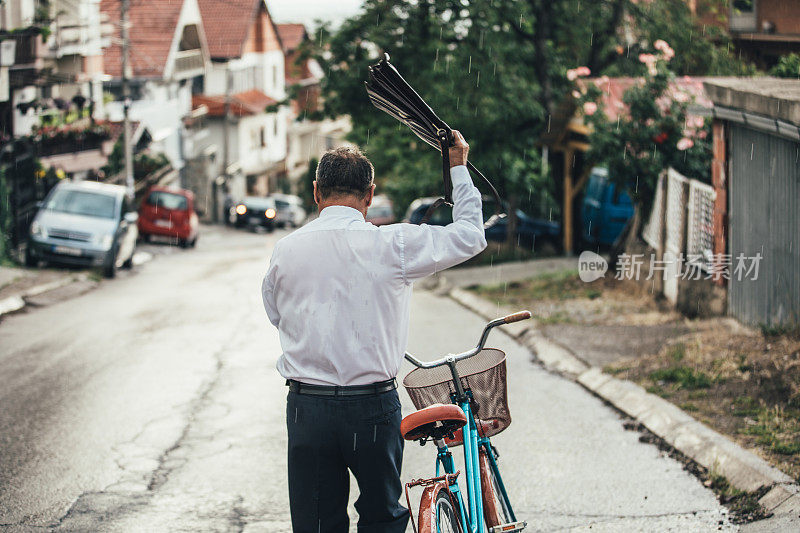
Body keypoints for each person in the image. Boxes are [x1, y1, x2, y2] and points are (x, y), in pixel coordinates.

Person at [261, 131, 486, 532]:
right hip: (371, 409)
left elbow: (277, 315)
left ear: (316, 192)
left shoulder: (286, 250)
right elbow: (471, 235)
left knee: (315, 524)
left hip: (307, 409)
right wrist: (458, 168)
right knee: (383, 519)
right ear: (369, 195)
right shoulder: (392, 245)